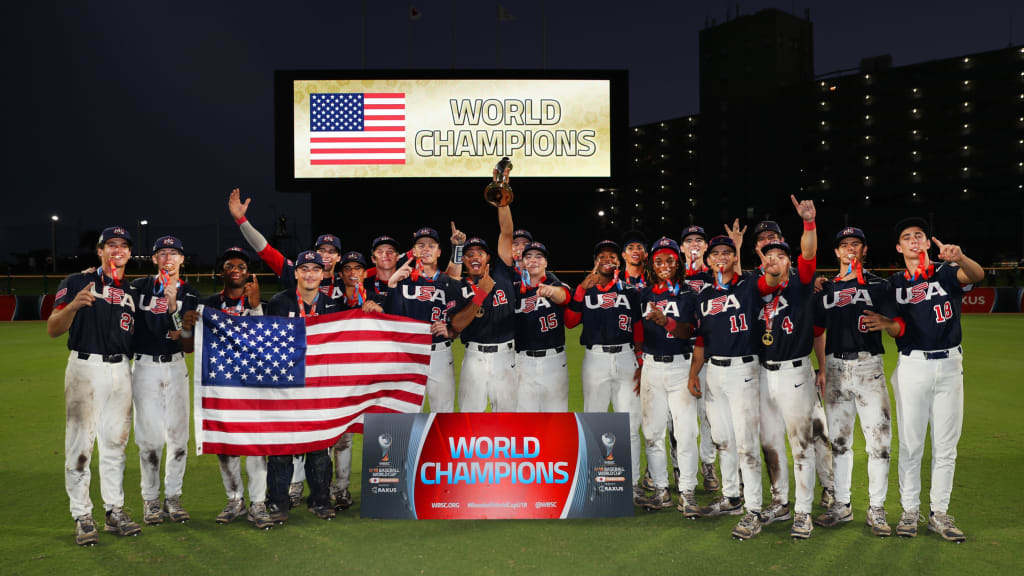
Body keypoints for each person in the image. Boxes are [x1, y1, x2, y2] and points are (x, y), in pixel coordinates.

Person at [863, 217, 984, 542]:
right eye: (907, 237)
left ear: (928, 243)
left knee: (946, 447)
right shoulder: (896, 285)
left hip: (949, 364)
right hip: (913, 366)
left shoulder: (946, 272)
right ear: (900, 247)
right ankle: (910, 512)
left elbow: (977, 275)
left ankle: (939, 513)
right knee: (913, 445)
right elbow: (899, 328)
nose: (914, 240)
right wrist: (887, 326)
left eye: (920, 235)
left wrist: (959, 258)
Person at [47, 226, 142, 545]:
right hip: (85, 368)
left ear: (129, 253)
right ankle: (82, 515)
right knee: (80, 446)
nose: (117, 250)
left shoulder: (131, 291)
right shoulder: (77, 281)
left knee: (115, 445)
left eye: (123, 246)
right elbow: (52, 328)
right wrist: (73, 306)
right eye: (110, 245)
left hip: (122, 371)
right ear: (100, 251)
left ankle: (114, 511)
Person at [183, 246, 273, 529]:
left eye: (242, 266)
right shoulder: (207, 305)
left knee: (257, 445)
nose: (236, 270)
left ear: (249, 273)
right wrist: (186, 328)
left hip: (255, 385)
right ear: (221, 271)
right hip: (221, 385)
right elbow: (188, 346)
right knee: (226, 447)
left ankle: (258, 503)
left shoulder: (262, 303)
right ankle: (235, 499)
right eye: (230, 265)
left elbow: (267, 343)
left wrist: (256, 306)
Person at [812, 227, 893, 536]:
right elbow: (818, 332)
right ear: (836, 252)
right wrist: (821, 367)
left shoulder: (879, 286)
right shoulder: (827, 289)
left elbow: (898, 322)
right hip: (834, 368)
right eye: (843, 245)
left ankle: (876, 509)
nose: (849, 249)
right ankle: (842, 506)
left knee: (879, 444)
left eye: (855, 244)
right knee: (840, 444)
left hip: (868, 367)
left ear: (864, 249)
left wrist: (888, 322)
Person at [751, 217, 835, 511]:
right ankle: (779, 501)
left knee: (815, 433)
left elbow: (818, 332)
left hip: (797, 372)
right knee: (770, 440)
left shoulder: (802, 281)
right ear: (756, 248)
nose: (767, 243)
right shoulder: (752, 284)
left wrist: (821, 368)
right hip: (763, 372)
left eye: (773, 238)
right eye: (762, 240)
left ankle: (829, 489)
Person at [687, 235, 764, 540]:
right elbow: (702, 339)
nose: (721, 257)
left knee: (746, 442)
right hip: (714, 371)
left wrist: (746, 249)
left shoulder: (749, 286)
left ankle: (755, 508)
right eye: (715, 253)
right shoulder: (704, 296)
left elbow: (770, 281)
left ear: (735, 258)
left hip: (744, 369)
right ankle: (732, 497)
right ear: (708, 260)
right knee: (723, 440)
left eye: (727, 253)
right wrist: (695, 372)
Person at [565, 240, 644, 503]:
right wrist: (580, 290)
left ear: (619, 262)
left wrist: (641, 361)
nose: (607, 259)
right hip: (595, 357)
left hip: (625, 356)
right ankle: (594, 481)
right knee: (594, 419)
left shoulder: (630, 290)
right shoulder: (586, 289)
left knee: (631, 422)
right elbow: (570, 321)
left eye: (612, 256)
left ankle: (631, 484)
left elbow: (638, 327)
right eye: (602, 256)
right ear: (596, 261)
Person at [264, 250, 341, 522]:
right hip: (286, 386)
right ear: (295, 273)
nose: (310, 274)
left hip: (320, 387)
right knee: (282, 448)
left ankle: (320, 500)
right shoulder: (278, 302)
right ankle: (278, 502)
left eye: (315, 269)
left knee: (320, 448)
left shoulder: (333, 305)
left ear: (323, 274)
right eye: (304, 269)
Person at [632, 237, 705, 518]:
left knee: (686, 433)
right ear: (651, 264)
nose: (664, 265)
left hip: (680, 367)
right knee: (652, 433)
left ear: (679, 263)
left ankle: (687, 491)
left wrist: (667, 322)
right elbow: (637, 332)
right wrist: (641, 362)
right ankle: (661, 489)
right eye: (659, 260)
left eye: (670, 260)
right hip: (652, 367)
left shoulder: (688, 295)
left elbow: (690, 333)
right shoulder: (643, 294)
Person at [130, 235, 199, 526]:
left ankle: (173, 497)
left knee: (179, 439)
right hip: (144, 366)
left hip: (175, 367)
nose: (167, 258)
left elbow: (184, 342)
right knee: (149, 441)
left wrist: (173, 307)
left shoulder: (191, 294)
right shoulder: (138, 287)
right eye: (162, 253)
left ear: (182, 259)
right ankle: (151, 500)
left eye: (173, 253)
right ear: (154, 259)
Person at [385, 227, 464, 413]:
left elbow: (459, 313)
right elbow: (391, 319)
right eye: (421, 245)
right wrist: (392, 284)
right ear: (414, 251)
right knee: (407, 413)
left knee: (443, 413)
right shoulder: (403, 279)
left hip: (440, 354)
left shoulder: (446, 281)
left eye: (431, 245)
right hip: (411, 354)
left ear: (439, 252)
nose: (426, 249)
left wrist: (450, 329)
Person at [450, 204, 519, 413]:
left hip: (506, 356)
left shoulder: (502, 272)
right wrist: (481, 293)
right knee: (469, 421)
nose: (474, 257)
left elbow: (507, 232)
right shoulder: (460, 288)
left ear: (488, 258)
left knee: (508, 420)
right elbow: (457, 325)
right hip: (474, 358)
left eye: (480, 253)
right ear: (463, 260)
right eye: (469, 254)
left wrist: (502, 203)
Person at [330, 250, 384, 512]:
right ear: (341, 274)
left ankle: (383, 487)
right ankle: (339, 490)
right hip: (339, 376)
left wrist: (379, 313)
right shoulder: (331, 301)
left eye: (358, 268)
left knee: (378, 429)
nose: (353, 273)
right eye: (348, 269)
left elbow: (392, 327)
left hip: (371, 375)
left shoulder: (376, 297)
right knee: (342, 436)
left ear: (365, 273)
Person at [679, 225, 721, 493]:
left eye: (699, 241)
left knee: (708, 415)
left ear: (706, 248)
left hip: (706, 353)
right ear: (681, 247)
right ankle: (679, 467)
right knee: (678, 418)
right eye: (689, 241)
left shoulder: (716, 275)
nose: (694, 244)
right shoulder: (671, 273)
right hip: (676, 353)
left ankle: (707, 463)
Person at [512, 241, 571, 412]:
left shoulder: (554, 283)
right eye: (528, 257)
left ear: (546, 262)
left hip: (554, 361)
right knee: (525, 421)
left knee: (556, 419)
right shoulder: (515, 289)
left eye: (539, 256)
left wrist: (551, 292)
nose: (533, 260)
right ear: (522, 262)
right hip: (523, 362)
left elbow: (565, 296)